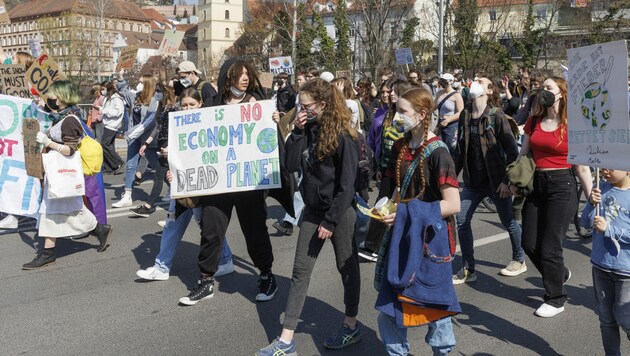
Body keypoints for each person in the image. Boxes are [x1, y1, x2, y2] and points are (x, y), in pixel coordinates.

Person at [256, 78, 361, 356]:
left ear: (323, 105)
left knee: (346, 269)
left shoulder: (344, 135)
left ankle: (351, 324)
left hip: (338, 213)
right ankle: (286, 340)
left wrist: (331, 221)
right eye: (299, 105)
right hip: (312, 211)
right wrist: (298, 132)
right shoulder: (307, 129)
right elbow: (290, 165)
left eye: (305, 105)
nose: (300, 109)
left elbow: (347, 186)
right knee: (300, 272)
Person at [178, 59, 277, 306]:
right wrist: (176, 160)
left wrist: (274, 121)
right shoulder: (212, 107)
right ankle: (205, 281)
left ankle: (266, 275)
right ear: (228, 77)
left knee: (255, 232)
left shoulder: (258, 105)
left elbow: (268, 140)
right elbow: (197, 142)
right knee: (211, 232)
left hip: (248, 184)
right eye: (239, 75)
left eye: (247, 74)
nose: (244, 78)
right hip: (218, 185)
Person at [376, 87, 461, 356]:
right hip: (403, 235)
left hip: (431, 242)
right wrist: (387, 208)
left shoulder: (439, 152)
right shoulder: (400, 146)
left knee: (434, 308)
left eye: (403, 112)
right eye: (396, 111)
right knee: (390, 308)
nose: (397, 117)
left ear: (422, 114)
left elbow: (453, 204)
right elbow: (398, 189)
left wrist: (405, 214)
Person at [512, 76, 593, 317]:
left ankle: (556, 297)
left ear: (561, 93)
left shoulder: (573, 124)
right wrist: (513, 180)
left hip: (562, 184)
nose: (543, 91)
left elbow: (582, 168)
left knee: (550, 246)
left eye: (549, 87)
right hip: (536, 184)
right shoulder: (534, 121)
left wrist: (591, 201)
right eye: (542, 87)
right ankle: (558, 273)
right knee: (528, 242)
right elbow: (523, 155)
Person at [136, 88, 234, 281]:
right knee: (173, 223)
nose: (188, 108)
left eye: (192, 104)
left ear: (201, 105)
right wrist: (170, 160)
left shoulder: (210, 124)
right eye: (184, 105)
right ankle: (162, 267)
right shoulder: (178, 126)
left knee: (207, 226)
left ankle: (225, 259)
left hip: (203, 185)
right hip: (182, 183)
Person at [23, 81, 112, 269]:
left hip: (61, 171)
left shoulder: (70, 119)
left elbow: (70, 150)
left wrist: (48, 141)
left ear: (62, 97)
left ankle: (48, 253)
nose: (51, 98)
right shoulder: (63, 117)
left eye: (54, 95)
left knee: (51, 210)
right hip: (57, 172)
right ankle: (99, 229)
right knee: (69, 209)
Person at [452, 77, 526, 284]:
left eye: (480, 81)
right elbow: (460, 150)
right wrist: (449, 178)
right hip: (473, 182)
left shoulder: (497, 115)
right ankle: (469, 268)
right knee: (462, 220)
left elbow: (513, 152)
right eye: (474, 79)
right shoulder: (465, 115)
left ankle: (519, 259)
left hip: (496, 181)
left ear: (489, 89)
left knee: (509, 222)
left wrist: (506, 181)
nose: (474, 82)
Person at [581, 167, 630, 356]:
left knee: (625, 318)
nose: (605, 170)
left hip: (626, 271)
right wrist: (591, 203)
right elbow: (585, 223)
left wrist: (610, 230)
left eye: (612, 165)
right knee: (606, 319)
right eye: (604, 165)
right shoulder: (600, 187)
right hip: (600, 265)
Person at [358, 80, 409, 262]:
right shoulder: (388, 113)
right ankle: (376, 245)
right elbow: (386, 145)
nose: (390, 94)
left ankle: (377, 246)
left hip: (400, 170)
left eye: (394, 91)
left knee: (392, 208)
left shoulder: (402, 116)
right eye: (387, 91)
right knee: (384, 206)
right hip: (386, 168)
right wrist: (380, 167)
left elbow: (402, 145)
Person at [129, 81, 179, 218]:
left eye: (158, 91)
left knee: (159, 175)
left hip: (170, 144)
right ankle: (181, 201)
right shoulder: (161, 108)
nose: (156, 94)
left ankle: (149, 206)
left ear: (166, 92)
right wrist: (146, 143)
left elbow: (177, 130)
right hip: (162, 144)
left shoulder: (173, 109)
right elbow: (157, 128)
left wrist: (171, 147)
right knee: (167, 177)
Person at [112, 75, 161, 208]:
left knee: (158, 166)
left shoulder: (156, 100)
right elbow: (123, 91)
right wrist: (121, 77)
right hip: (133, 135)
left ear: (148, 85)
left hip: (147, 137)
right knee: (131, 165)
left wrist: (138, 136)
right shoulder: (136, 97)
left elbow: (150, 121)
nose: (138, 85)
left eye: (141, 82)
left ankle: (173, 188)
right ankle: (127, 195)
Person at [434, 73, 464, 161]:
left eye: (444, 81)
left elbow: (460, 113)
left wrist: (448, 120)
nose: (442, 83)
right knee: (440, 147)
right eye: (441, 80)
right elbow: (433, 107)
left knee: (451, 149)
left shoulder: (456, 95)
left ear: (450, 82)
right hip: (440, 124)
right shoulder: (439, 93)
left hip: (452, 126)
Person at [99, 81, 125, 175]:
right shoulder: (107, 98)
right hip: (107, 124)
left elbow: (117, 112)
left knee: (104, 144)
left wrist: (104, 111)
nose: (102, 91)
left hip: (112, 125)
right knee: (108, 145)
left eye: (103, 89)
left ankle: (119, 162)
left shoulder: (117, 99)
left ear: (108, 88)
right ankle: (109, 167)